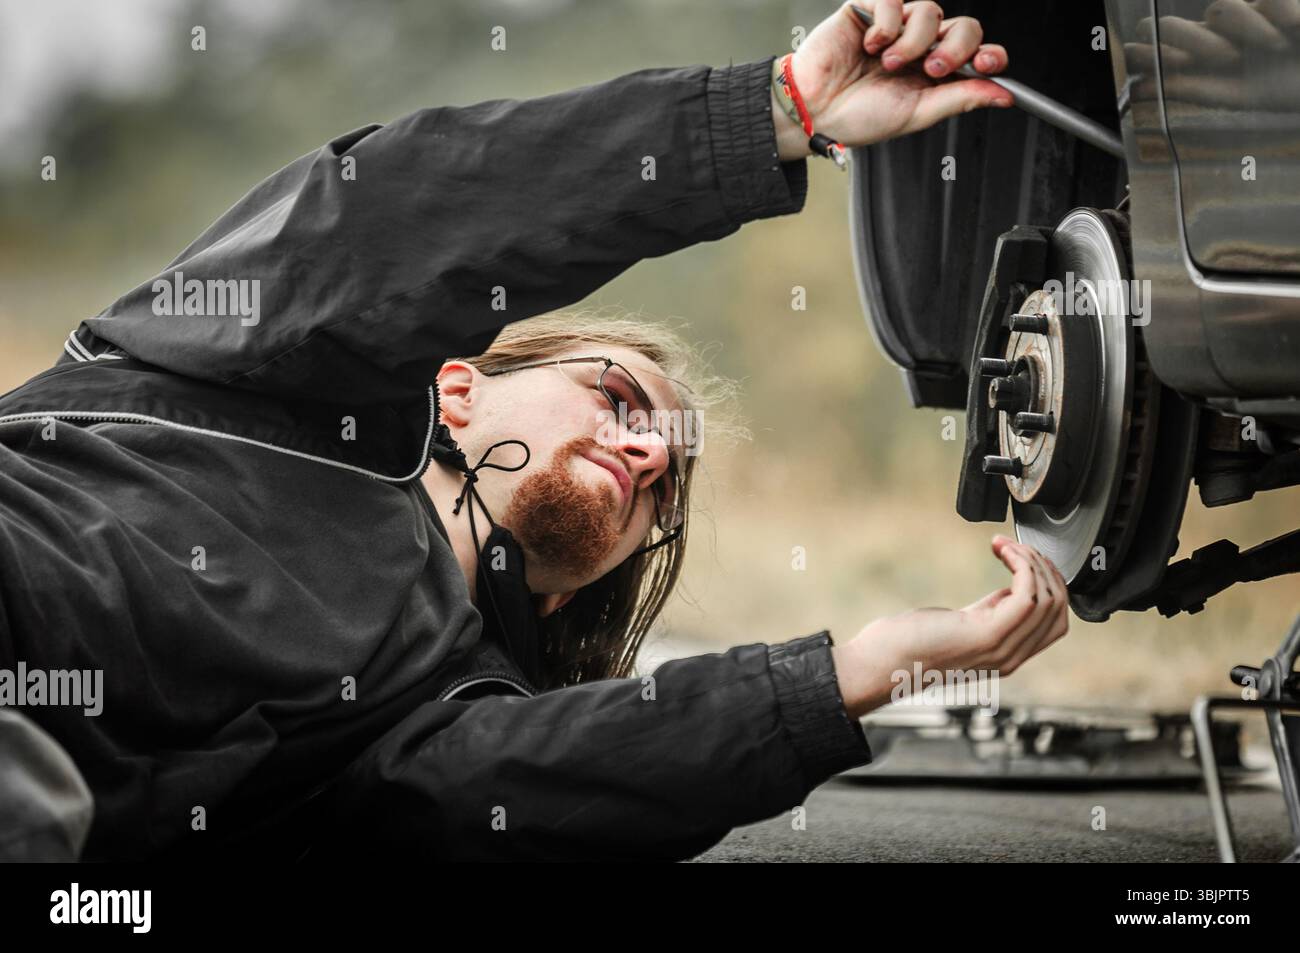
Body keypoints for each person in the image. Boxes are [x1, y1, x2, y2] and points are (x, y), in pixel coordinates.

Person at [0, 0, 1067, 861]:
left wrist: (857, 670)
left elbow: (562, 776)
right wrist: (774, 111)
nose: (650, 456)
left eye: (664, 489)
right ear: (457, 389)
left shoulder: (452, 713)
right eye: (617, 398)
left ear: (579, 584)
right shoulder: (239, 370)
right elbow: (396, 221)